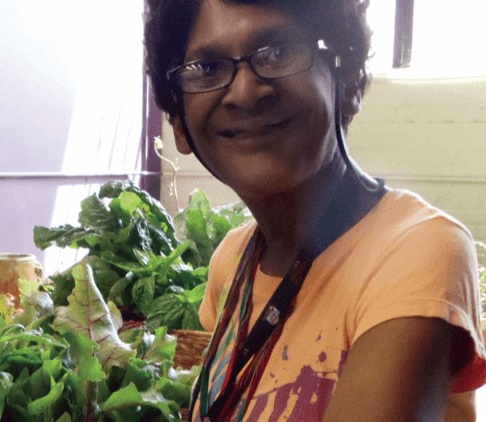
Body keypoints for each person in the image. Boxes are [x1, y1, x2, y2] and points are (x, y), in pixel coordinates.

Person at [143, 0, 486, 420]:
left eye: (278, 52)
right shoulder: (231, 264)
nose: (245, 91)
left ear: (351, 83)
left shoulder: (416, 254)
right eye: (208, 68)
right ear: (178, 122)